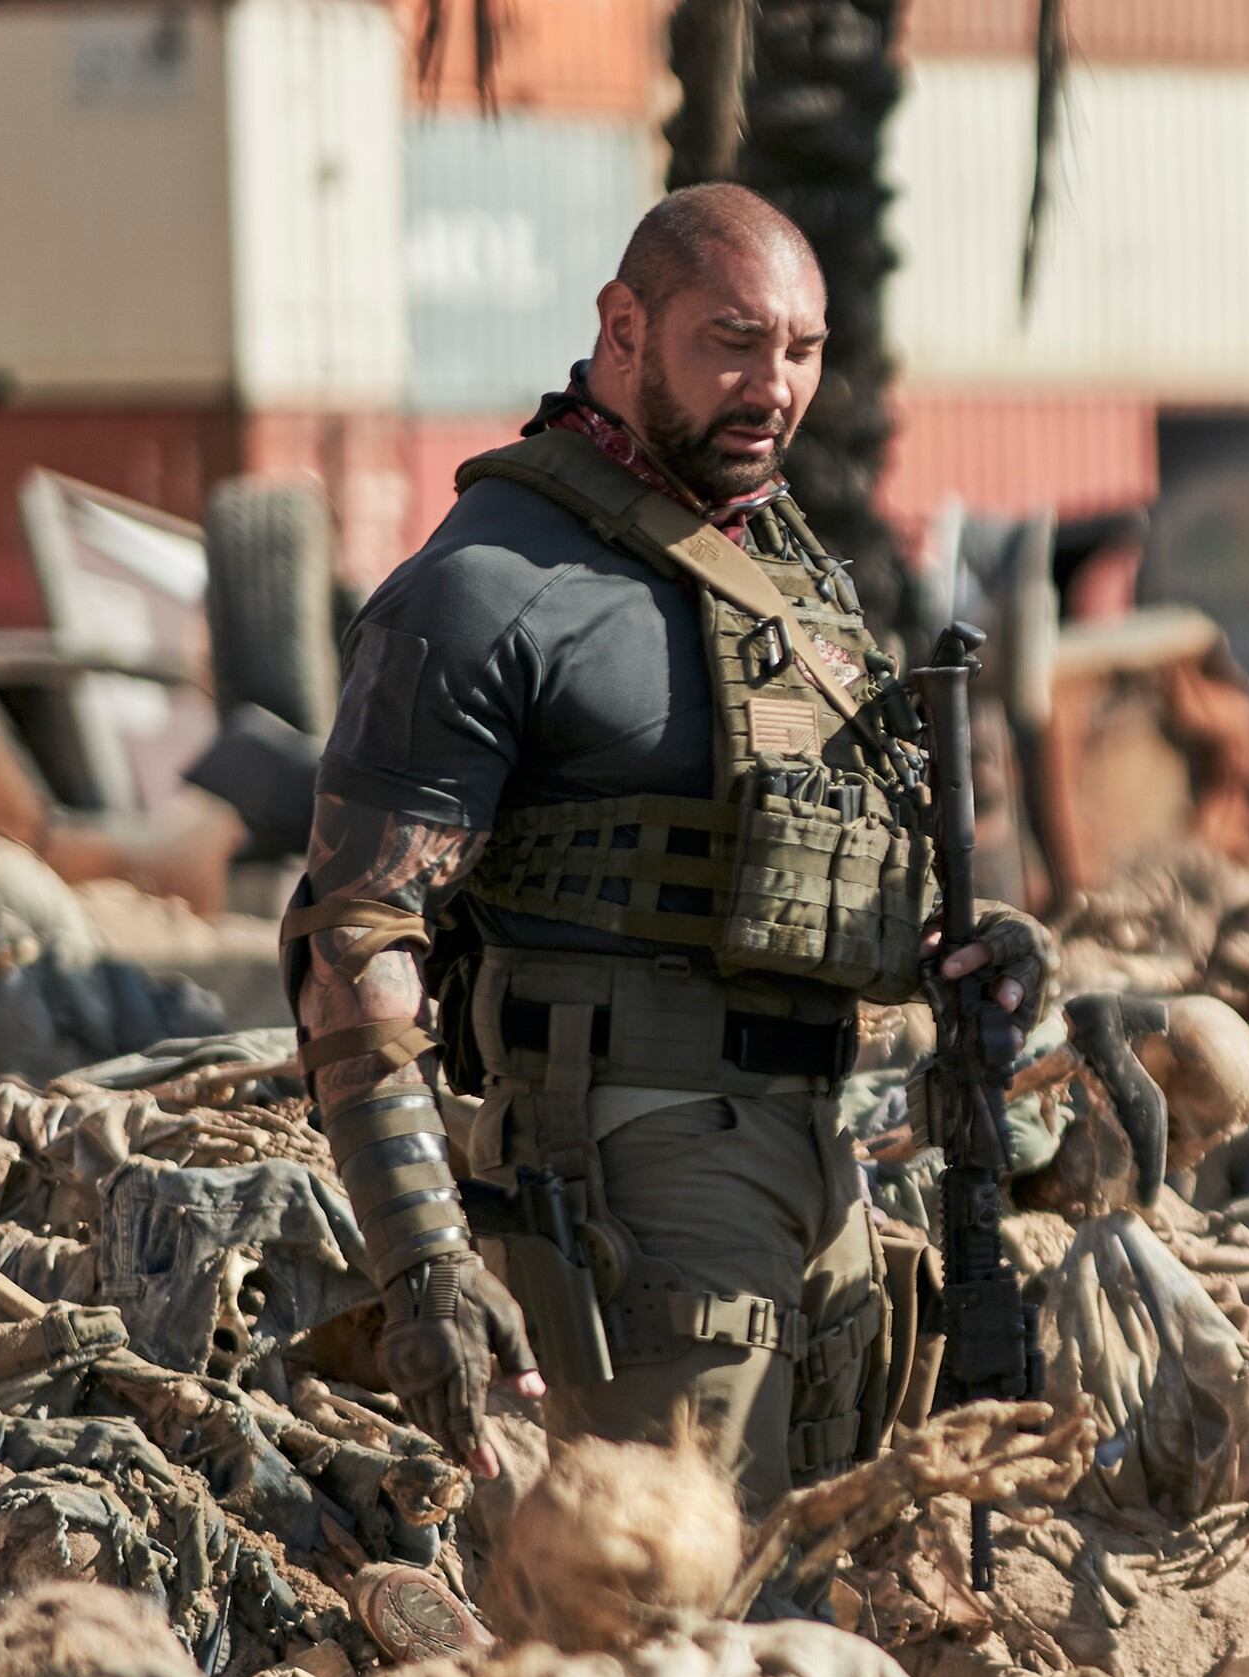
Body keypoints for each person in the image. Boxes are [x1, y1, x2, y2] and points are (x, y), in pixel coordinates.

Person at [287, 185, 1049, 1509]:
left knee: (825, 1628)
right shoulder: (487, 589)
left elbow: (814, 862)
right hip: (636, 1180)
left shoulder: (787, 574)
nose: (776, 387)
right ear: (623, 326)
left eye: (803, 350)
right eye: (734, 341)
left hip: (819, 1165)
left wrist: (974, 954)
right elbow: (354, 941)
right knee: (676, 1630)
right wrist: (424, 1265)